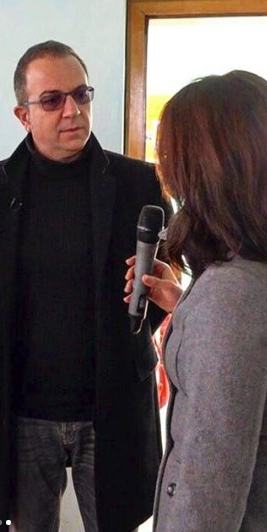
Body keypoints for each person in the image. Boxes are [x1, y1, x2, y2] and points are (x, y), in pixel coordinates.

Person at [0, 40, 171, 532]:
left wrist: (132, 332)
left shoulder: (140, 183)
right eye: (53, 100)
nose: (72, 110)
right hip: (22, 408)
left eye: (81, 94)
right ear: (23, 114)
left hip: (113, 401)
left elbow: (160, 286)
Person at [124, 70, 267, 531]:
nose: (165, 172)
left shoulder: (231, 298)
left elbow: (209, 488)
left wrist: (208, 312)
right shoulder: (242, 281)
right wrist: (187, 306)